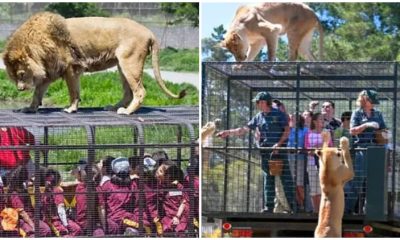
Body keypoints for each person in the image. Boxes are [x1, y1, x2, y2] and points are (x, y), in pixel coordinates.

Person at [216, 91, 293, 213]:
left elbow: (287, 130)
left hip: (279, 151)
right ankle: (269, 207)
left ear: (264, 102)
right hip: (265, 152)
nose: (257, 104)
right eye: (257, 102)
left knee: (286, 178)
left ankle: (293, 206)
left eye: (258, 102)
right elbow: (243, 130)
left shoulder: (279, 114)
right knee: (268, 178)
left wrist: (278, 144)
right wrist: (228, 132)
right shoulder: (258, 116)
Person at [347, 90, 387, 214]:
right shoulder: (357, 114)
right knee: (358, 180)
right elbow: (352, 131)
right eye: (372, 101)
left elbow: (383, 129)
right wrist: (366, 125)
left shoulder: (378, 114)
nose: (373, 104)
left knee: (374, 181)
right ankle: (348, 210)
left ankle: (373, 211)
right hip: (362, 150)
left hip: (376, 150)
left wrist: (386, 133)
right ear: (365, 100)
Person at [98, 157, 138, 235]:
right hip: (129, 218)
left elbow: (101, 204)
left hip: (113, 219)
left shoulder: (107, 185)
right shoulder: (133, 185)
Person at [7, 165, 51, 237]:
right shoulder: (14, 193)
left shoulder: (24, 190)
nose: (29, 181)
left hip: (32, 217)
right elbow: (22, 213)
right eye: (27, 179)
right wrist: (32, 225)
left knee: (46, 230)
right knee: (33, 233)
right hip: (21, 220)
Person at [304, 112, 333, 213]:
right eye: (320, 119)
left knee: (323, 188)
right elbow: (307, 149)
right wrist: (317, 149)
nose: (322, 121)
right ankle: (316, 211)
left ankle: (323, 211)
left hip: (324, 164)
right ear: (315, 121)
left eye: (323, 119)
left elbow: (329, 147)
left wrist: (318, 149)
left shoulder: (327, 132)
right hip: (312, 164)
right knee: (314, 188)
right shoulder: (309, 133)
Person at [42, 168, 82, 237]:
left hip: (48, 219)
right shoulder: (57, 191)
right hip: (56, 221)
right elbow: (61, 210)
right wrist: (65, 224)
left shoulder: (47, 190)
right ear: (58, 179)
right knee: (77, 229)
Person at [72, 163, 104, 236]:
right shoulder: (97, 189)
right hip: (91, 224)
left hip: (80, 223)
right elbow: (101, 210)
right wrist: (104, 227)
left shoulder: (79, 187)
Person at [287, 114, 308, 211]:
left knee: (299, 183)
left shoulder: (304, 130)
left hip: (300, 159)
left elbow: (307, 144)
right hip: (289, 158)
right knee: (292, 184)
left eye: (293, 118)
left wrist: (301, 149)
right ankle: (298, 205)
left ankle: (304, 203)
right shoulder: (288, 130)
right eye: (291, 118)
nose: (291, 119)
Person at [160, 165, 189, 236]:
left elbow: (183, 202)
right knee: (166, 231)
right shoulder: (162, 187)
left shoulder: (179, 187)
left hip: (180, 217)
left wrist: (177, 217)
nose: (166, 177)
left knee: (181, 232)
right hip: (167, 217)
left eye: (168, 175)